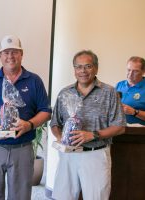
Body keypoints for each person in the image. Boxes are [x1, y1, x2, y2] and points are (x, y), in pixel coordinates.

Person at [0, 35, 52, 200]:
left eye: (14, 52)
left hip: (22, 149)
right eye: (6, 52)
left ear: (21, 54)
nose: (10, 56)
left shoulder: (34, 80)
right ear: (0, 55)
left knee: (20, 196)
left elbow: (45, 111)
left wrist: (29, 125)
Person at [50, 50, 126, 200]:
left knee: (96, 197)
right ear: (74, 70)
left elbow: (120, 127)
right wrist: (61, 138)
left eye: (88, 66)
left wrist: (93, 135)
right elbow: (55, 123)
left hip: (95, 154)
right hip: (68, 155)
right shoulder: (65, 93)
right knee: (62, 197)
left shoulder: (109, 92)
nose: (82, 71)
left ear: (96, 68)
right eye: (78, 67)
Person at [116, 56, 145, 125]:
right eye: (129, 70)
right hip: (117, 130)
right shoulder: (119, 85)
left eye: (135, 71)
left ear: (143, 71)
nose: (130, 74)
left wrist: (133, 112)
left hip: (138, 133)